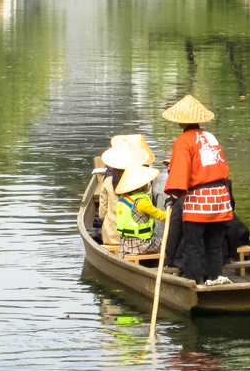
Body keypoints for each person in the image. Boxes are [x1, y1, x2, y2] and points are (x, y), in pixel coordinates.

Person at [161, 94, 234, 285]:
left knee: (192, 243)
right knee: (214, 241)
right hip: (220, 196)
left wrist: (174, 195)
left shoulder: (183, 141)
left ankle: (193, 280)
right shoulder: (210, 136)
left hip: (199, 198)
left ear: (180, 122)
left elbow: (180, 172)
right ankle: (214, 277)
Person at [99, 141, 151, 247]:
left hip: (112, 237)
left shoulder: (108, 182)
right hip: (139, 239)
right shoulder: (145, 182)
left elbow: (102, 214)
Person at [115, 164, 167, 258]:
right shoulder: (142, 202)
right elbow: (162, 216)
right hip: (142, 244)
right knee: (167, 243)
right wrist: (174, 211)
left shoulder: (123, 199)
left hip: (126, 243)